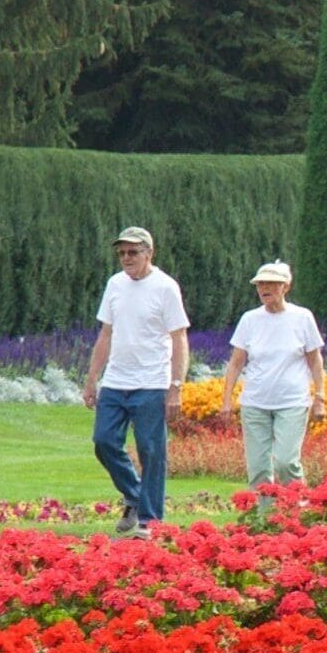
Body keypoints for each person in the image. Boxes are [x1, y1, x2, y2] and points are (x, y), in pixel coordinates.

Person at [83, 226, 189, 532]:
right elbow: (106, 334)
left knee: (151, 450)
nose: (126, 258)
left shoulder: (166, 287)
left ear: (149, 253)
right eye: (121, 253)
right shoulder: (115, 284)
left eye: (132, 252)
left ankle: (148, 520)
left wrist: (176, 386)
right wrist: (92, 379)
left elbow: (179, 337)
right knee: (103, 441)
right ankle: (134, 494)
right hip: (116, 380)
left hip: (152, 382)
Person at [217, 260, 327, 486]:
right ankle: (263, 519)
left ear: (285, 287)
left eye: (271, 284)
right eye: (260, 284)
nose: (264, 289)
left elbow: (315, 361)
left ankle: (297, 512)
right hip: (255, 403)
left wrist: (320, 397)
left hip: (292, 402)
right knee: (258, 469)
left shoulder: (302, 317)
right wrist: (226, 400)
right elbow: (236, 363)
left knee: (286, 462)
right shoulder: (250, 319)